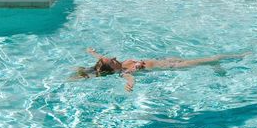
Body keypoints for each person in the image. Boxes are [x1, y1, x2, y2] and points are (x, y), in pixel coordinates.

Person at [71, 48, 245, 92]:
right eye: (113, 60)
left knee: (205, 60)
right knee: (210, 59)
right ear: (112, 68)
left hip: (167, 60)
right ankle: (237, 57)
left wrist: (93, 53)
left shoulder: (119, 64)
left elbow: (100, 61)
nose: (115, 57)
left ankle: (222, 62)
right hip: (172, 67)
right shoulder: (125, 71)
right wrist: (130, 86)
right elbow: (130, 79)